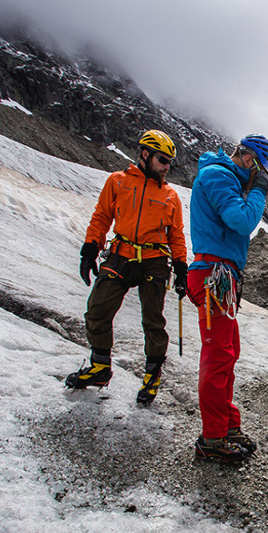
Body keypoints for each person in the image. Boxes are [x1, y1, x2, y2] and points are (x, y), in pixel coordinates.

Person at [66, 129, 188, 405]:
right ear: (145, 154)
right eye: (162, 160)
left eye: (170, 162)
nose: (167, 166)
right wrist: (90, 249)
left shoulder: (171, 196)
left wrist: (181, 269)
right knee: (97, 310)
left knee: (153, 322)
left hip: (155, 261)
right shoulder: (118, 182)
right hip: (120, 255)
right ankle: (99, 368)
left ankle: (152, 377)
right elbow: (101, 217)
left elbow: (176, 235)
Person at [186, 134, 268, 463]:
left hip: (220, 278)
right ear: (252, 161)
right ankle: (212, 437)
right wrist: (259, 189)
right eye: (264, 171)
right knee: (218, 357)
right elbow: (241, 220)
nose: (262, 179)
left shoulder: (225, 178)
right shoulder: (218, 175)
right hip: (214, 275)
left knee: (227, 352)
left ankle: (227, 426)